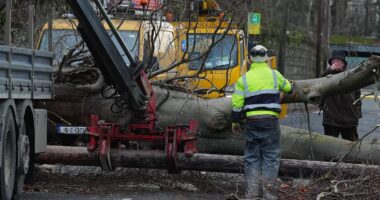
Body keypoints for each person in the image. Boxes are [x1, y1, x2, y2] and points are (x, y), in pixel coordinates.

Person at [231, 45, 292, 199]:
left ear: (250, 59)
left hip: (251, 121)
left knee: (252, 158)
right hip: (270, 121)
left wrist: (235, 122)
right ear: (267, 59)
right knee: (271, 157)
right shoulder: (274, 75)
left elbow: (237, 104)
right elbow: (289, 87)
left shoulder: (243, 79)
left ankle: (251, 194)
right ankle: (268, 194)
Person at [320, 50, 362, 141]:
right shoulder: (327, 76)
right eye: (334, 60)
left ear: (344, 63)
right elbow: (317, 83)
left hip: (349, 120)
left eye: (339, 60)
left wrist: (357, 114)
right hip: (331, 120)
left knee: (352, 148)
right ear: (331, 63)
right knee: (329, 147)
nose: (336, 62)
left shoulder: (351, 76)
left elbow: (358, 96)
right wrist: (329, 71)